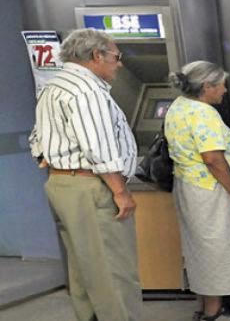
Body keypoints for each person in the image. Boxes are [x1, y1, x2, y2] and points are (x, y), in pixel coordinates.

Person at [29, 28, 142, 321]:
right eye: (116, 56)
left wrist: (55, 162)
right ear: (96, 55)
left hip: (62, 183)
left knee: (83, 269)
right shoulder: (87, 90)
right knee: (113, 272)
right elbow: (98, 147)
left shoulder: (54, 86)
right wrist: (120, 191)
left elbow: (37, 138)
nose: (120, 64)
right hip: (92, 186)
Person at [165, 61, 230, 321]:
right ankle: (214, 311)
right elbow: (212, 158)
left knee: (200, 248)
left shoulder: (179, 106)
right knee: (217, 249)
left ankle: (205, 306)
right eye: (221, 85)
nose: (225, 90)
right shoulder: (203, 113)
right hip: (211, 191)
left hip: (190, 187)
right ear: (206, 86)